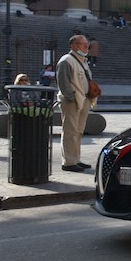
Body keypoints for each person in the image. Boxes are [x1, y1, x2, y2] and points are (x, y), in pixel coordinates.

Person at [56, 35, 93, 173]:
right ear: (74, 45)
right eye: (83, 44)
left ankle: (76, 159)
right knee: (70, 132)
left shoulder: (82, 61)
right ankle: (69, 162)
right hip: (72, 101)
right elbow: (63, 82)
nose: (86, 47)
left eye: (87, 44)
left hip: (83, 99)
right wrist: (71, 97)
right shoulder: (66, 60)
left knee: (78, 131)